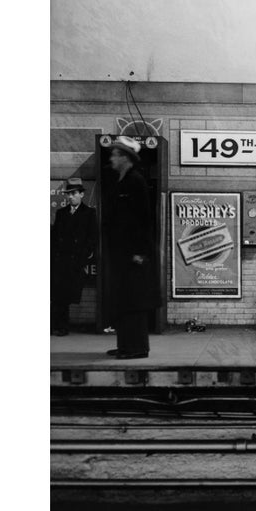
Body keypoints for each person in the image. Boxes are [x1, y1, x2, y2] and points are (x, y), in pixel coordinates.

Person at [103, 136, 160, 358]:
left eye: (115, 154)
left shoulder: (136, 181)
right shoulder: (122, 181)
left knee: (134, 302)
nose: (112, 158)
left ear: (126, 158)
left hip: (135, 254)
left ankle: (137, 348)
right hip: (123, 253)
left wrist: (140, 251)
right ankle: (126, 344)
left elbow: (144, 219)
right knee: (124, 300)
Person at [51, 177, 97, 336]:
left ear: (81, 195)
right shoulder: (61, 213)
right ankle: (59, 326)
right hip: (60, 260)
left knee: (67, 294)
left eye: (74, 193)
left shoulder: (90, 213)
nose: (70, 197)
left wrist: (84, 258)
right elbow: (55, 237)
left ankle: (61, 326)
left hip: (76, 261)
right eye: (68, 194)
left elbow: (92, 238)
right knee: (58, 295)